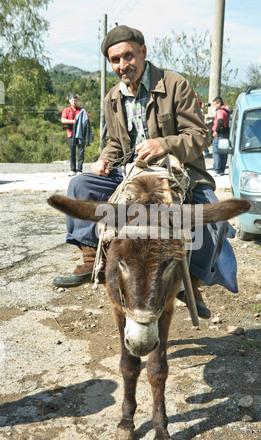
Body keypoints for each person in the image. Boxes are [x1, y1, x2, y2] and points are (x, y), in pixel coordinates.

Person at [53, 25, 238, 319]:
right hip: (130, 173)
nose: (123, 65)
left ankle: (193, 282)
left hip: (180, 172)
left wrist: (164, 144)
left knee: (212, 215)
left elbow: (200, 134)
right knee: (80, 185)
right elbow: (116, 142)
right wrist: (104, 159)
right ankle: (91, 259)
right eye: (115, 60)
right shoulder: (112, 97)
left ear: (143, 52)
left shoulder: (175, 84)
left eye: (128, 56)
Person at [61, 94, 92, 176]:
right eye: (72, 100)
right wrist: (73, 121)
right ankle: (72, 169)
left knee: (81, 151)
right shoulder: (66, 110)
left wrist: (85, 116)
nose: (74, 102)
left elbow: (89, 119)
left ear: (77, 101)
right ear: (69, 101)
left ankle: (79, 169)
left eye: (75, 100)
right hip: (70, 133)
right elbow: (63, 120)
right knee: (72, 152)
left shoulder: (82, 110)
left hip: (80, 133)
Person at [211, 96, 230, 176]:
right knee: (223, 153)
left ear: (219, 103)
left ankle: (217, 170)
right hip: (225, 134)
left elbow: (220, 121)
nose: (214, 106)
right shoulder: (226, 110)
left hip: (219, 134)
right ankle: (222, 170)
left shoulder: (220, 111)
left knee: (216, 152)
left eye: (215, 104)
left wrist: (216, 131)